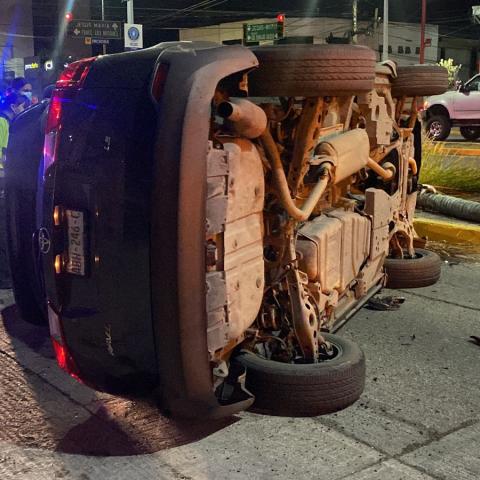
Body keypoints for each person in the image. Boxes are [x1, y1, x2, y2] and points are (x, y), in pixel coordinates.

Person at [0, 92, 28, 164]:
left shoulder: (7, 122)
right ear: (13, 106)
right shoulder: (1, 121)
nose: (27, 111)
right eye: (24, 107)